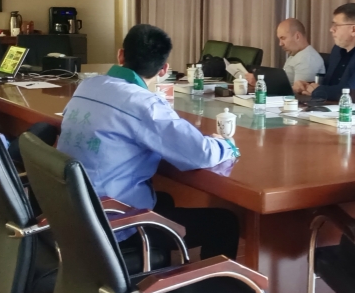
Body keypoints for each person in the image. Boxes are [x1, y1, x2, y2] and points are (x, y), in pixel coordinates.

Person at [57, 25, 243, 262]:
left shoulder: (87, 86)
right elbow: (200, 153)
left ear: (120, 55)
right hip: (112, 222)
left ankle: (158, 272)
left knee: (164, 199)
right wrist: (228, 145)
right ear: (164, 69)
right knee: (224, 222)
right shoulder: (144, 103)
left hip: (73, 210)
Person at [275, 18, 327, 95]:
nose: (280, 44)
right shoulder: (295, 53)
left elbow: (301, 94)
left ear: (297, 36)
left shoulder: (307, 59)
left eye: (283, 38)